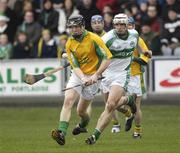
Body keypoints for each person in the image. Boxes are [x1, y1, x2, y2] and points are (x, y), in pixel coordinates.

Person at [51, 15, 112, 145]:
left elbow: (107, 58)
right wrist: (83, 77)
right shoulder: (70, 43)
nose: (74, 29)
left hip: (95, 75)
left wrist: (96, 75)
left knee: (81, 111)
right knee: (68, 100)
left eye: (76, 26)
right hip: (78, 75)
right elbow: (75, 66)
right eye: (71, 27)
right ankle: (62, 133)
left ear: (83, 26)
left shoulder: (94, 39)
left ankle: (83, 124)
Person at [85, 13, 138, 145]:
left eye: (122, 25)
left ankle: (95, 135)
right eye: (117, 25)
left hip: (121, 74)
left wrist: (147, 53)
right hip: (106, 73)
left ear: (127, 26)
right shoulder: (107, 38)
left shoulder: (134, 35)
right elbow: (96, 55)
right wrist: (95, 73)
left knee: (110, 105)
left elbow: (140, 47)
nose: (119, 27)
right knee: (112, 104)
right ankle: (128, 100)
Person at [127, 16, 152, 138]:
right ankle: (128, 115)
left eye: (130, 25)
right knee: (113, 103)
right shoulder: (115, 39)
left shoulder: (138, 40)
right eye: (125, 25)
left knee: (136, 106)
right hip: (119, 75)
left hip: (134, 76)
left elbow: (146, 59)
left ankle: (137, 130)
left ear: (134, 27)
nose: (127, 27)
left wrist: (133, 59)